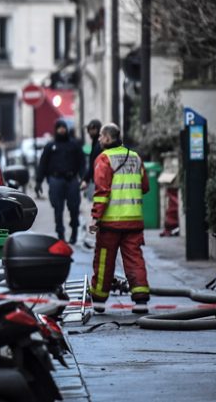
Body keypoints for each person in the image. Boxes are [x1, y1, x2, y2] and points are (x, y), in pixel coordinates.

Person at [89, 123, 151, 313]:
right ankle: (140, 299)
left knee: (104, 260)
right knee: (134, 258)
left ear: (108, 138)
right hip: (134, 220)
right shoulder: (135, 157)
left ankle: (99, 300)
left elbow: (102, 192)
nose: (99, 139)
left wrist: (95, 218)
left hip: (111, 222)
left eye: (101, 136)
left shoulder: (104, 159)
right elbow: (145, 186)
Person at [36, 120, 86, 243]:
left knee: (74, 207)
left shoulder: (74, 145)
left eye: (64, 127)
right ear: (56, 129)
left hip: (71, 180)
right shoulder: (50, 146)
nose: (62, 130)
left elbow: (82, 163)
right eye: (59, 127)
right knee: (58, 208)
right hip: (55, 179)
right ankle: (60, 233)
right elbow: (43, 164)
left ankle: (74, 230)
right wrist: (38, 182)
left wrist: (84, 178)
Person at [80, 119, 103, 194]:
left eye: (92, 129)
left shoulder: (99, 144)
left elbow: (94, 164)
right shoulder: (95, 143)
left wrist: (85, 179)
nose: (90, 132)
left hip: (101, 179)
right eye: (89, 129)